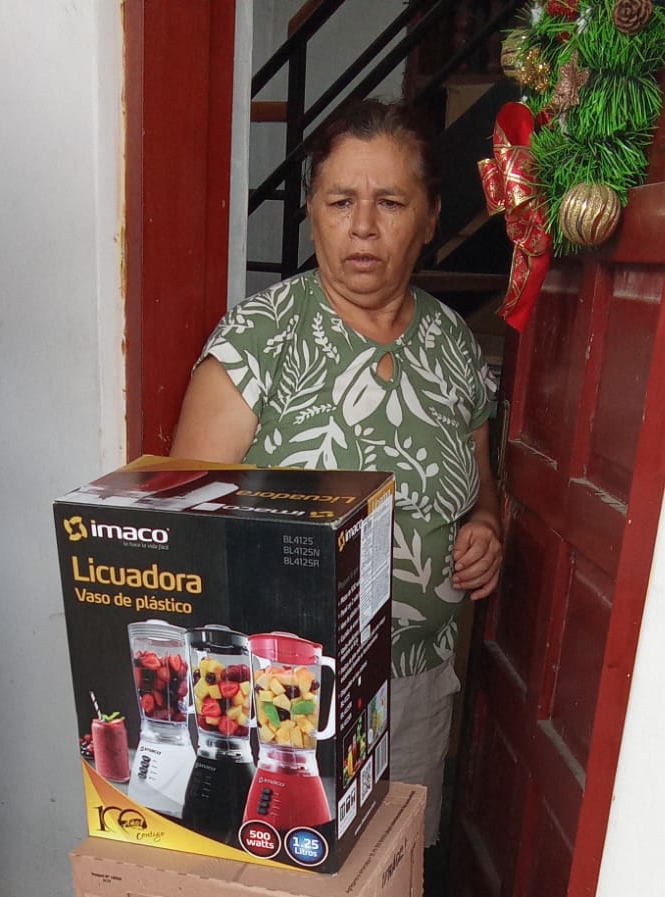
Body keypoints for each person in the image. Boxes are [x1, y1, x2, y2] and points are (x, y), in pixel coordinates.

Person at [171, 98, 502, 848]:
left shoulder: (452, 342)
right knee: (286, 876)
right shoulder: (259, 341)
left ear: (430, 216)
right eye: (341, 201)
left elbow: (484, 481)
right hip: (284, 693)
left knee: (393, 876)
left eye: (392, 202)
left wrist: (486, 523)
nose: (364, 226)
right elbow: (186, 530)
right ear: (313, 212)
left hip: (414, 685)